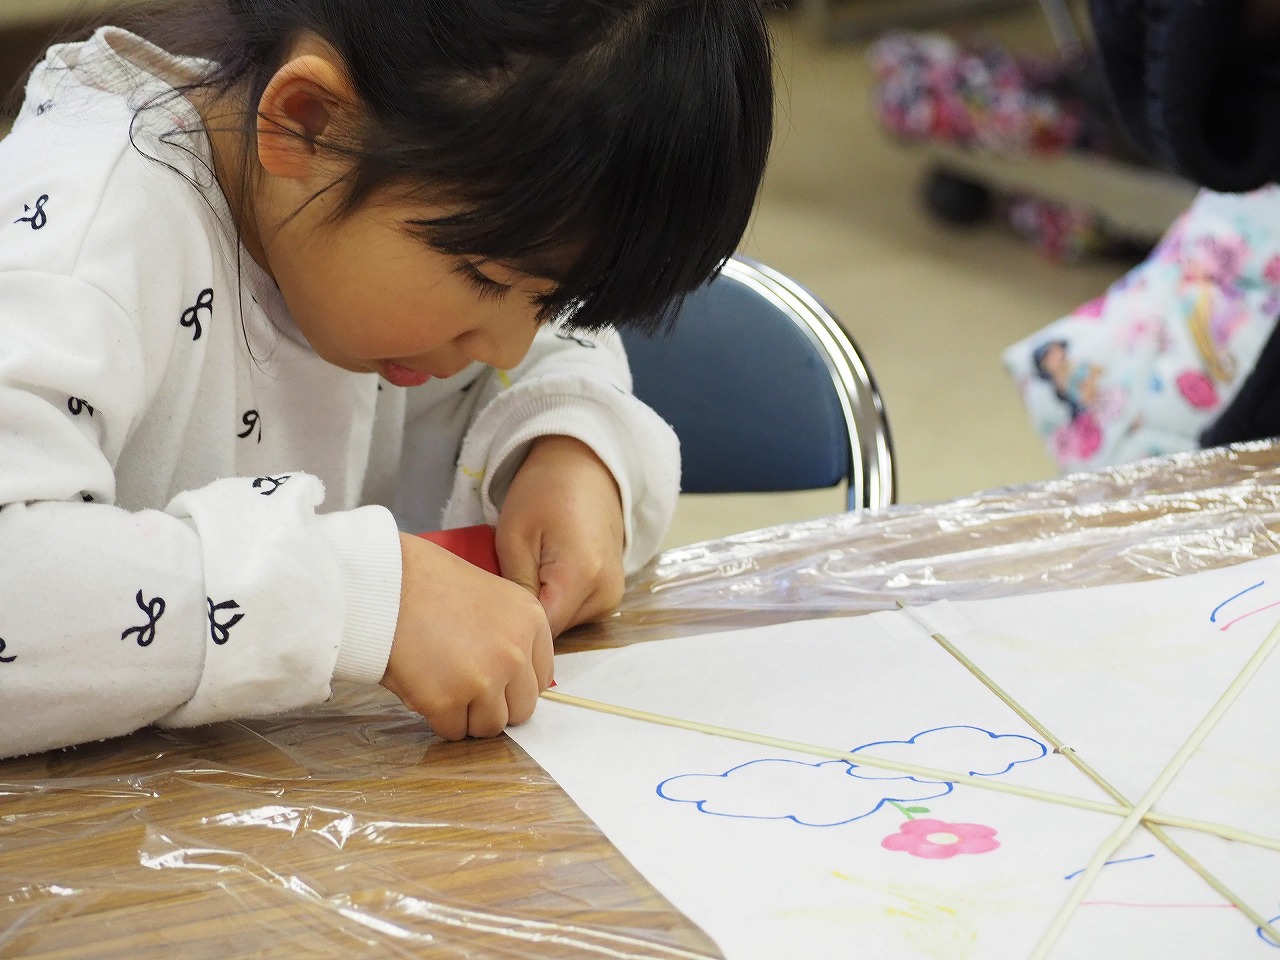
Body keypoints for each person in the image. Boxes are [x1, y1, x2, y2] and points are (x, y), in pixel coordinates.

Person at [0, 0, 775, 758]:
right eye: (483, 278)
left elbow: (557, 349)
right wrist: (356, 595)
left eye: (554, 301)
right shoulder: (81, 244)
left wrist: (568, 447)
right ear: (306, 123)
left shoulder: (408, 215)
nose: (507, 346)